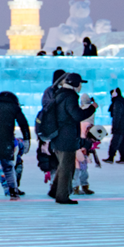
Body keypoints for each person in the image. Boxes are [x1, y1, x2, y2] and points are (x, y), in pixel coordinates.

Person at [47, 73, 96, 205]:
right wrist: (92, 108)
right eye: (80, 84)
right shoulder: (70, 96)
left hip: (58, 136)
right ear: (75, 84)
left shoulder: (59, 94)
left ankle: (54, 191)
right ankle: (62, 196)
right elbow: (77, 115)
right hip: (67, 137)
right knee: (67, 168)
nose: (80, 87)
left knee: (63, 165)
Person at [106, 88, 124, 164]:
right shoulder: (119, 102)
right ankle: (123, 158)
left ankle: (111, 157)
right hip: (121, 125)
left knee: (115, 142)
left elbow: (117, 116)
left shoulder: (117, 103)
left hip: (119, 126)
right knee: (121, 143)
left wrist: (115, 127)